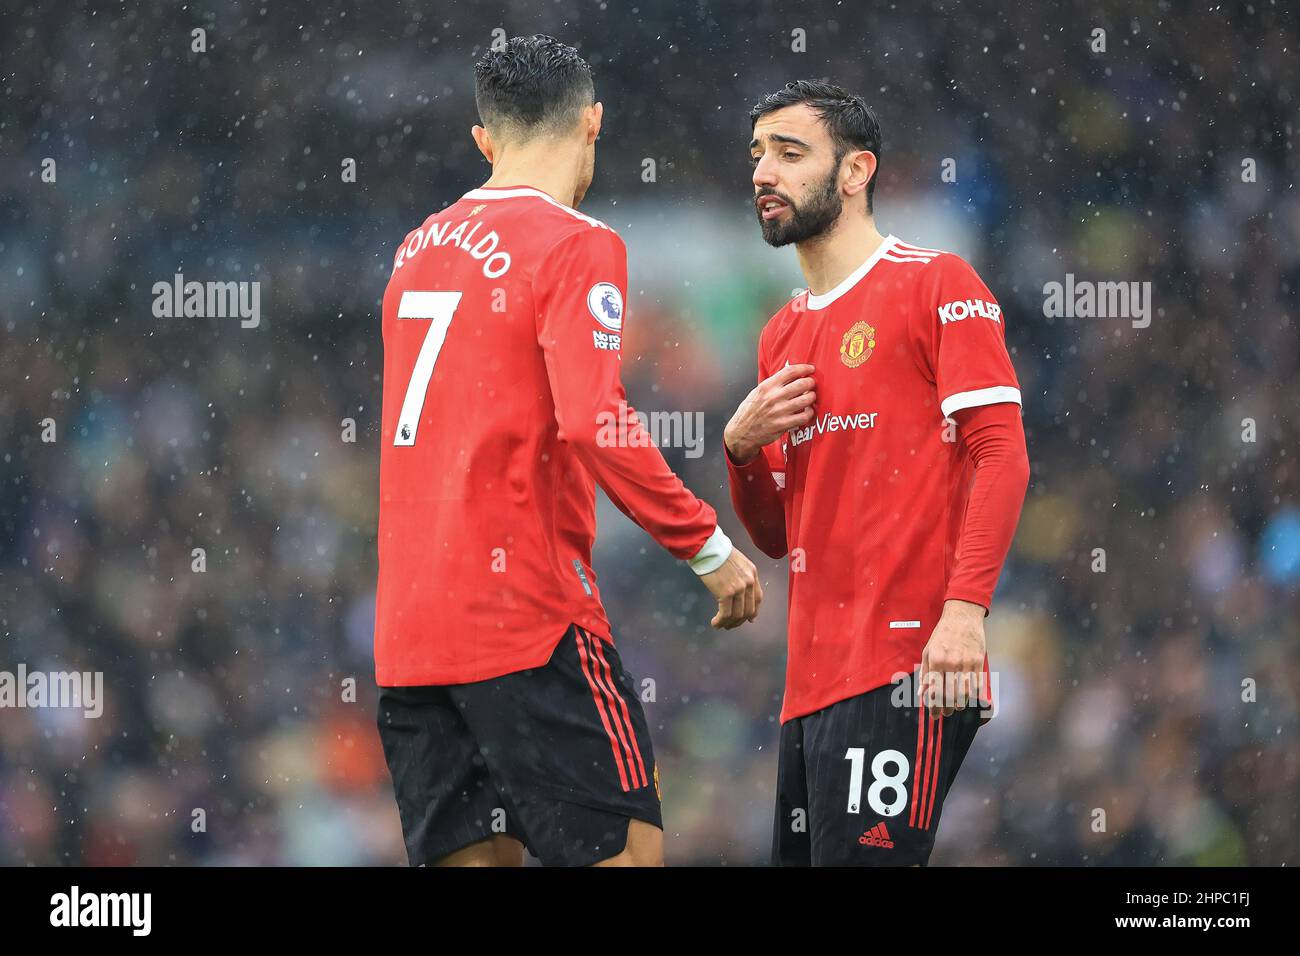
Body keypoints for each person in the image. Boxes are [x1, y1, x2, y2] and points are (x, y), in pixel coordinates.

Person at [373, 35, 762, 867]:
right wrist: (704, 542)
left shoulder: (414, 250)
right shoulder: (576, 242)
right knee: (626, 853)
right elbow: (595, 419)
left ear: (483, 139)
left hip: (411, 633)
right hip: (527, 620)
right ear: (593, 122)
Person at [726, 80, 1030, 865]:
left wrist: (964, 613)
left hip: (910, 664)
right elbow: (775, 534)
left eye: (791, 154)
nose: (765, 172)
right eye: (758, 154)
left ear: (856, 171)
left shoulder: (937, 285)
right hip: (811, 684)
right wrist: (742, 452)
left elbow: (1002, 452)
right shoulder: (781, 334)